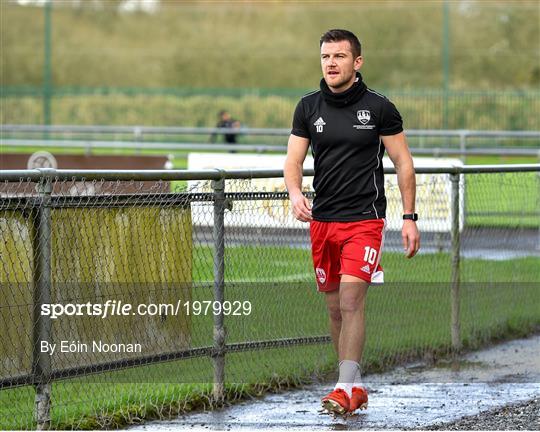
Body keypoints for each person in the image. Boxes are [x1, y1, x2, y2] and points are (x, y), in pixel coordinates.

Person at [284, 29, 420, 416]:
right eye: (326, 56)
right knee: (333, 310)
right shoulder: (308, 107)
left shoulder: (379, 108)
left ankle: (342, 386)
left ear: (357, 62)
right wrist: (295, 193)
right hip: (323, 221)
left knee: (350, 300)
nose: (331, 63)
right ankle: (354, 384)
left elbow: (403, 163)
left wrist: (409, 218)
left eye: (339, 57)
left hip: (365, 220)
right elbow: (293, 161)